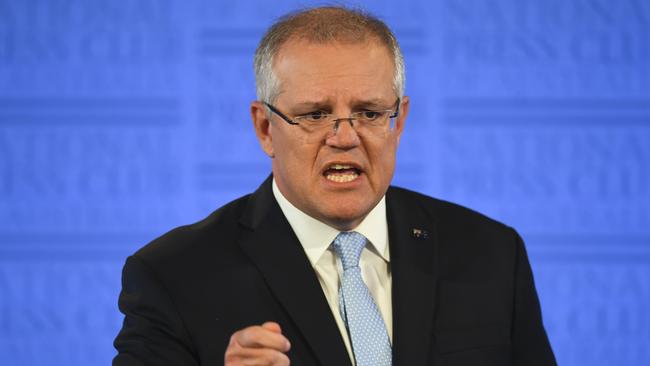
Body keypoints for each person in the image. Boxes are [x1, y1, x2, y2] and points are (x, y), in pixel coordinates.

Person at [113, 6, 556, 366]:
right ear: (265, 128)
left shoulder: (491, 253)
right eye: (314, 114)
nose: (344, 137)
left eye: (367, 112)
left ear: (398, 123)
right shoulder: (175, 275)